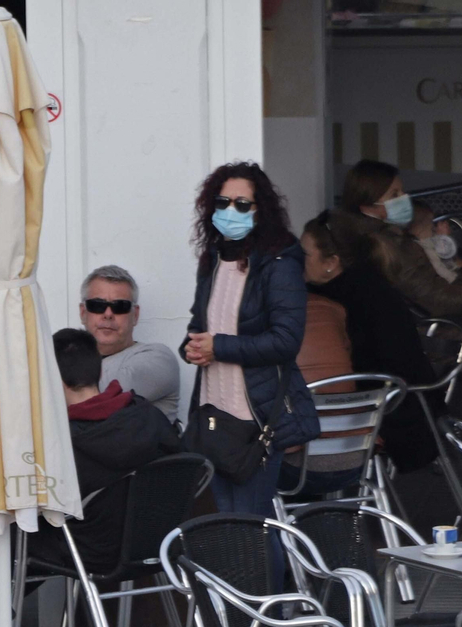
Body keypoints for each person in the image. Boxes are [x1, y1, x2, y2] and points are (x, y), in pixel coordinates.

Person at [181, 161, 319, 515]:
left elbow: (286, 341)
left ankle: (276, 574)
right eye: (223, 203)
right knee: (228, 521)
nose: (231, 211)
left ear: (261, 211)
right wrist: (192, 348)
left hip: (258, 419)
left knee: (250, 524)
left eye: (243, 204)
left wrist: (219, 346)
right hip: (215, 415)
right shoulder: (211, 259)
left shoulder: (279, 262)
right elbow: (199, 325)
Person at [301, 211, 443, 473]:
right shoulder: (370, 284)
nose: (297, 262)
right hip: (414, 408)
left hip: (378, 420)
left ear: (331, 262)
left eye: (304, 255)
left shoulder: (332, 304)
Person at [41, 329, 179, 570]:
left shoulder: (66, 444)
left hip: (91, 552)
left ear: (52, 378)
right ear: (101, 370)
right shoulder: (149, 416)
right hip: (158, 547)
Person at [331, 159, 462, 320]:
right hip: (439, 333)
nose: (405, 197)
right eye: (394, 194)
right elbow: (449, 302)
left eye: (402, 191)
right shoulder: (389, 247)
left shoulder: (354, 236)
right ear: (367, 206)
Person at [76, 265, 181, 423]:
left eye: (120, 307)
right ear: (83, 313)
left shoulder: (158, 358)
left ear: (135, 315)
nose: (108, 314)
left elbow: (103, 396)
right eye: (97, 305)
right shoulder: (65, 358)